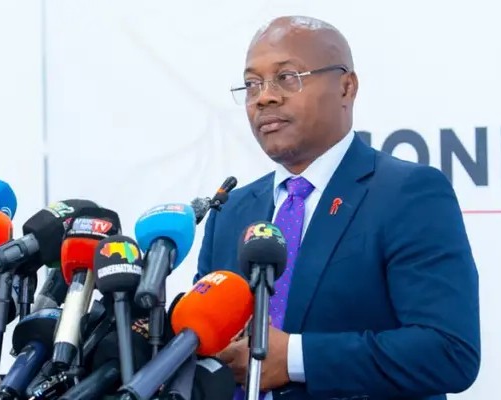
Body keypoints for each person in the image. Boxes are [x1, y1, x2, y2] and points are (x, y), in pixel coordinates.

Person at [195, 15, 480, 400]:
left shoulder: (408, 194)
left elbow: (448, 351)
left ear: (346, 87)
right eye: (252, 84)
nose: (264, 97)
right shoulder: (230, 212)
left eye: (287, 77)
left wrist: (294, 358)